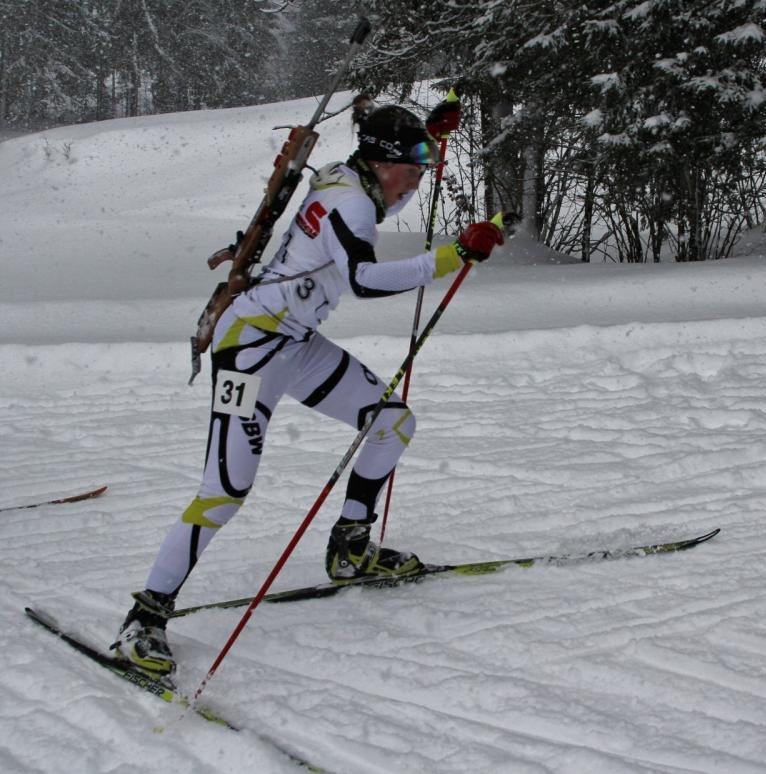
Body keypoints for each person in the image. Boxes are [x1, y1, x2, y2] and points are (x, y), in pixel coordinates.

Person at [113, 99, 505, 676]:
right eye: (412, 171)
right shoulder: (351, 202)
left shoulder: (354, 176)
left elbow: (389, 193)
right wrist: (453, 256)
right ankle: (143, 619)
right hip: (250, 349)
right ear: (381, 163)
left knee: (392, 422)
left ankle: (350, 549)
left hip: (293, 342)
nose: (415, 184)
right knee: (225, 490)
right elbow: (363, 279)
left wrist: (428, 136)